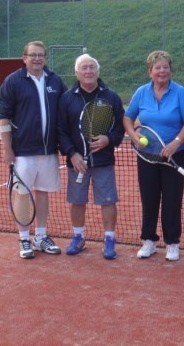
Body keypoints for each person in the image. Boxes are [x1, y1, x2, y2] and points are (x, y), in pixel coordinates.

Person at [123, 51, 184, 261]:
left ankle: (172, 243)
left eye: (165, 67)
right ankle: (149, 241)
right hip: (147, 156)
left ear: (170, 70)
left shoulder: (180, 92)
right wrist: (133, 135)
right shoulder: (141, 93)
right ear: (150, 72)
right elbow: (128, 118)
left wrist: (176, 143)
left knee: (172, 200)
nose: (162, 71)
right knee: (149, 198)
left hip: (174, 156)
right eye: (157, 68)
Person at [0, 41, 67, 259]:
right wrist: (7, 149)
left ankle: (41, 237)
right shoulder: (13, 81)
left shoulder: (55, 81)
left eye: (40, 55)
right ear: (24, 58)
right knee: (22, 194)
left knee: (43, 193)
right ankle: (24, 239)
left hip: (48, 151)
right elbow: (4, 117)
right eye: (33, 55)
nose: (37, 58)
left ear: (45, 58)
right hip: (22, 152)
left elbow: (67, 109)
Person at [58, 54, 125, 260]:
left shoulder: (111, 97)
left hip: (103, 161)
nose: (88, 71)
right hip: (77, 162)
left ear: (98, 71)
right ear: (77, 73)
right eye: (84, 68)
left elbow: (121, 127)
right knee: (77, 200)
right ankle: (78, 237)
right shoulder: (67, 98)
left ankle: (109, 240)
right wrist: (72, 153)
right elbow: (60, 130)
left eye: (91, 67)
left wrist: (108, 139)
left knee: (108, 201)